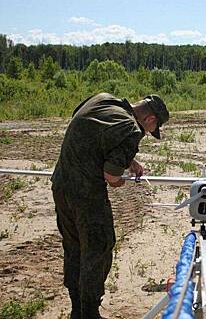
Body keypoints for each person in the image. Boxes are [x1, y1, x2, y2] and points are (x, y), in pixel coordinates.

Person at [51, 93, 169, 319]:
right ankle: (89, 312)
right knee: (98, 248)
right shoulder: (131, 129)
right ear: (150, 120)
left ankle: (77, 309)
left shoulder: (103, 99)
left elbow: (90, 131)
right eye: (150, 130)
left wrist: (128, 161)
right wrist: (120, 179)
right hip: (86, 195)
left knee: (73, 247)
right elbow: (111, 176)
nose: (145, 134)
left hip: (61, 186)